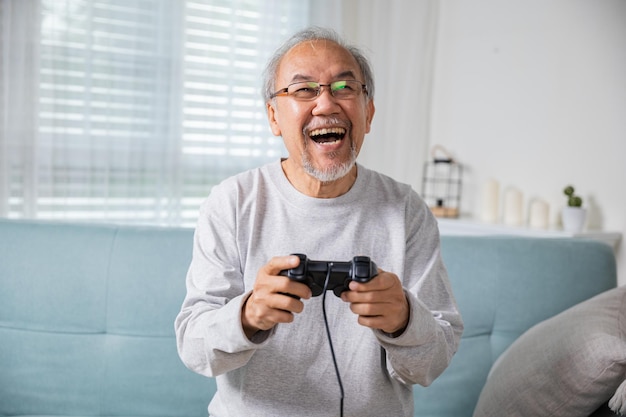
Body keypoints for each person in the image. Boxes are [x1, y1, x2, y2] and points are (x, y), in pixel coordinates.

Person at [175, 26, 463, 417]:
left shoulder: (406, 210)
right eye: (304, 89)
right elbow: (194, 350)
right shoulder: (232, 202)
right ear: (274, 116)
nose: (326, 104)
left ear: (369, 112)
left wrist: (403, 320)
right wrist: (248, 315)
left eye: (345, 87)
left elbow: (431, 365)